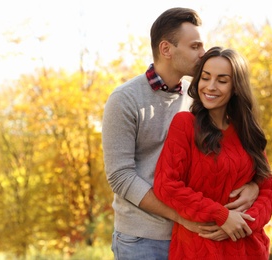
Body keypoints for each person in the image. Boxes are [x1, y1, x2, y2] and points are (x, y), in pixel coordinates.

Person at [102, 7, 260, 260]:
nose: (203, 53)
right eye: (195, 46)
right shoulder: (125, 99)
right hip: (143, 239)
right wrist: (181, 216)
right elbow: (120, 176)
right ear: (166, 49)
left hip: (195, 237)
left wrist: (254, 185)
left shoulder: (200, 95)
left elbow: (226, 155)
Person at [153, 46, 272, 259]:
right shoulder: (185, 125)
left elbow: (268, 191)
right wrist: (221, 216)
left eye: (222, 80)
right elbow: (166, 185)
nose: (210, 86)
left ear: (236, 87)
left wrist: (240, 223)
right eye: (205, 77)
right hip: (199, 249)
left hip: (248, 249)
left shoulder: (248, 131)